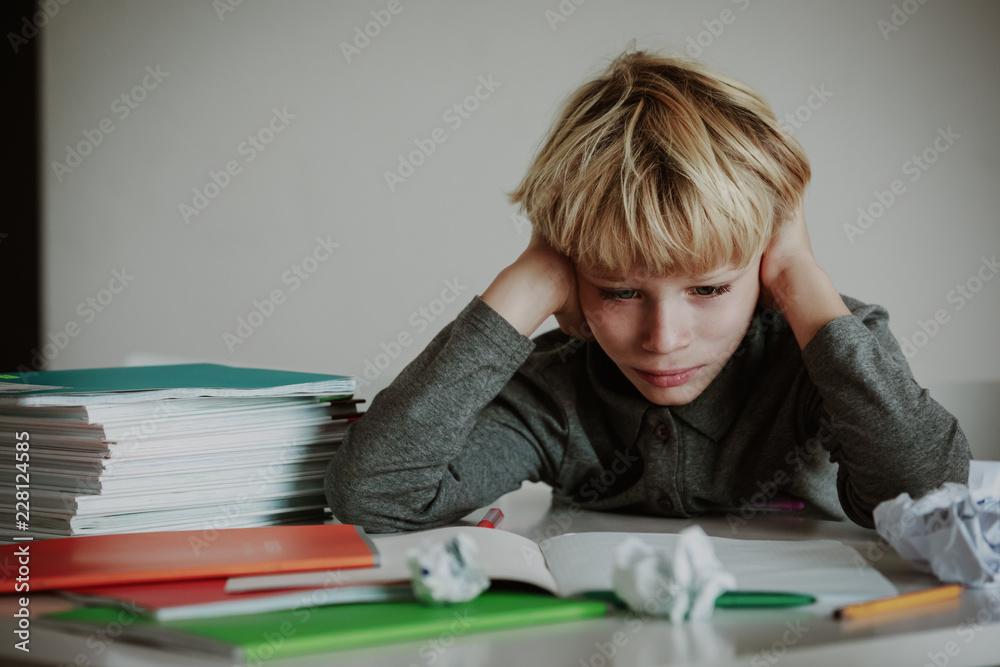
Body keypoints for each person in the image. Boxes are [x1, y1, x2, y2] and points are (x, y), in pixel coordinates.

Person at [325, 49, 971, 533]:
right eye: (621, 291)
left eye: (711, 288)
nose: (664, 340)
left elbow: (933, 494)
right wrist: (530, 282)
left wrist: (802, 279)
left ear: (766, 265)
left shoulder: (821, 353)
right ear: (574, 280)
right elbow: (373, 495)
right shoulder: (557, 395)